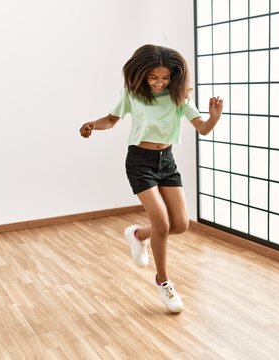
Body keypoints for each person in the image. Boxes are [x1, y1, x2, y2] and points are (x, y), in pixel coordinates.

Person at [79, 44, 223, 313]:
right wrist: (92, 126)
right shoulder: (133, 93)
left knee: (180, 224)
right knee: (163, 223)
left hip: (167, 162)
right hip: (139, 162)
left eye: (165, 78)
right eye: (154, 78)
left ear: (174, 77)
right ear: (142, 74)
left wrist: (213, 118)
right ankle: (164, 281)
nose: (159, 83)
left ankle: (138, 234)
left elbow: (202, 129)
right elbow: (111, 120)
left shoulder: (179, 97)